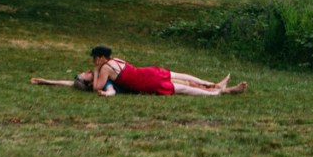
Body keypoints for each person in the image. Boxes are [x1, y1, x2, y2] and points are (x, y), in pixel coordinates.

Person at [89, 45, 247, 97]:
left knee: (184, 87)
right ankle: (217, 87)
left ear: (102, 58)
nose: (93, 61)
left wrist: (96, 71)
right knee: (184, 80)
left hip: (147, 82)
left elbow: (97, 87)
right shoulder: (116, 60)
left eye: (95, 58)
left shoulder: (105, 68)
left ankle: (215, 92)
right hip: (149, 72)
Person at [30, 69, 232, 95]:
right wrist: (105, 94)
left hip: (148, 77)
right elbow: (111, 92)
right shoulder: (107, 83)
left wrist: (44, 80)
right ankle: (221, 89)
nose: (86, 72)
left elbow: (67, 82)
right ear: (90, 82)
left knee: (185, 79)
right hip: (148, 85)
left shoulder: (101, 76)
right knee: (187, 84)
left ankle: (217, 85)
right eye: (85, 75)